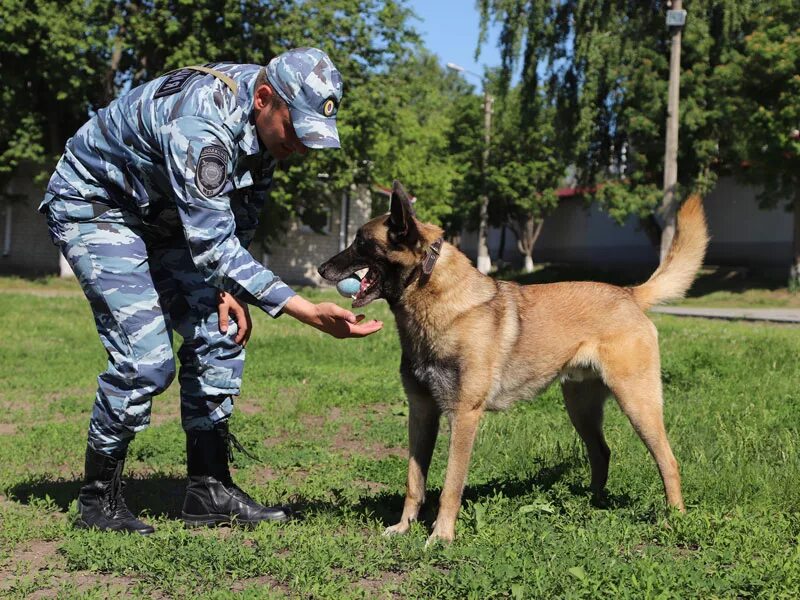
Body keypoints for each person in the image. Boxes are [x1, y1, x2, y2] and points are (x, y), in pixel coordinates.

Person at [40, 48, 383, 534]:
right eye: (296, 130)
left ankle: (209, 489)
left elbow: (239, 220)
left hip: (165, 220)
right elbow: (214, 247)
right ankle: (98, 501)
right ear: (265, 99)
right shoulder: (204, 125)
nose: (302, 147)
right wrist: (304, 309)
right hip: (98, 205)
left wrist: (229, 289)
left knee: (220, 331)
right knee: (146, 360)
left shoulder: (266, 129)